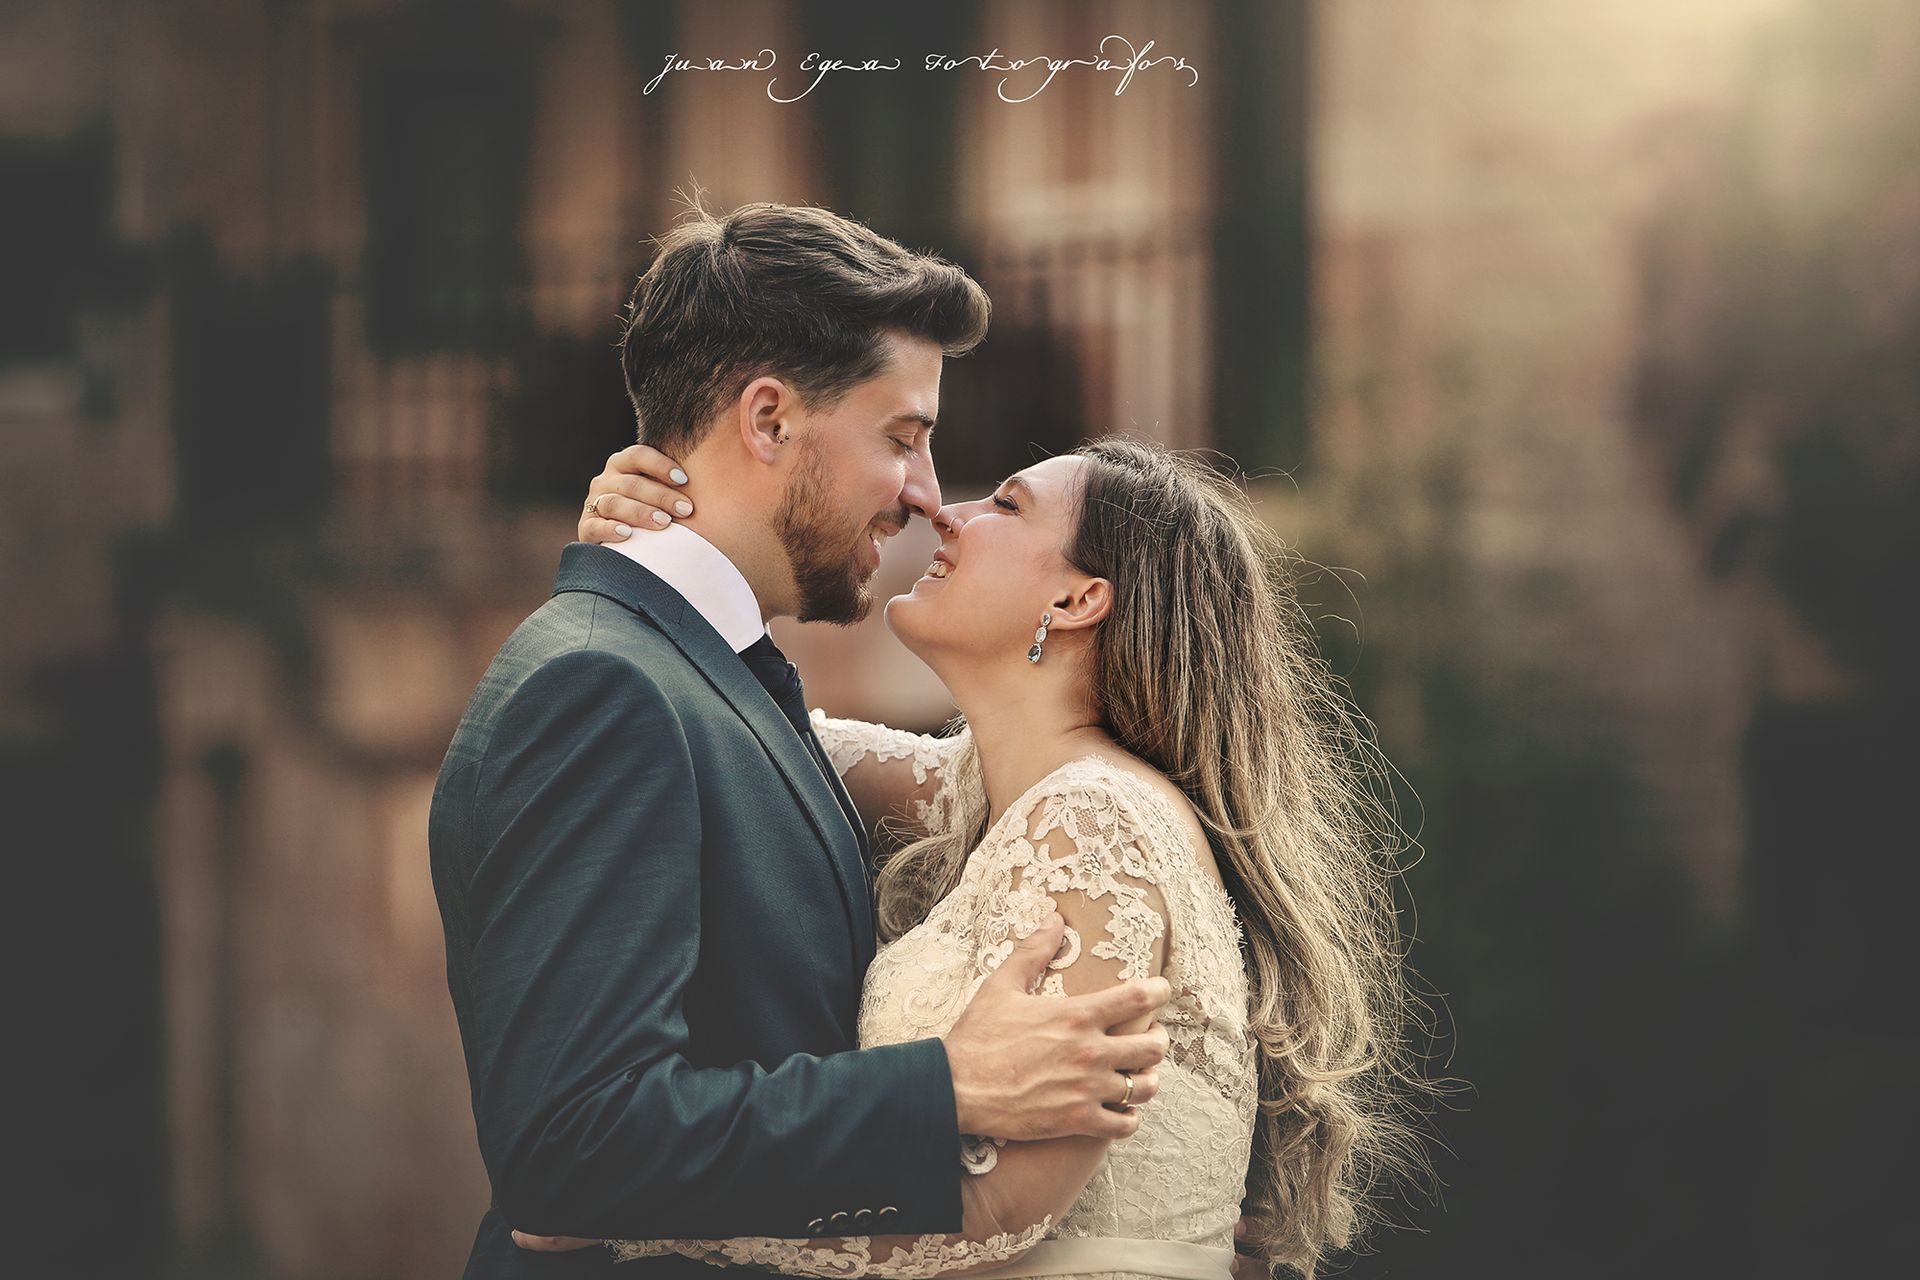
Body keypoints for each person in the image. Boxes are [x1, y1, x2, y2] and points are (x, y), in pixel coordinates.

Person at [429, 201, 1173, 1280]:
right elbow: (570, 1140)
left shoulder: (697, 678)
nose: (927, 496)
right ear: (769, 421)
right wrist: (948, 1085)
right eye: (903, 437)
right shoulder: (603, 688)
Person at [532, 437, 1429, 1279]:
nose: (947, 512)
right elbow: (730, 726)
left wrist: (630, 1208)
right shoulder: (993, 797)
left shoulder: (1097, 823)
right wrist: (658, 558)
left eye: (1006, 502)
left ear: (1079, 599)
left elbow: (1006, 1210)